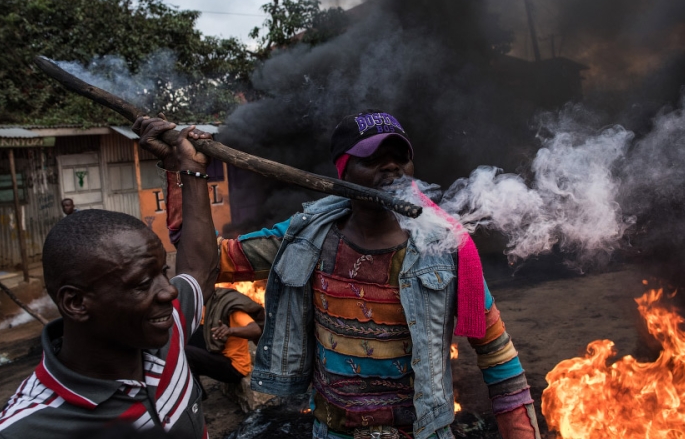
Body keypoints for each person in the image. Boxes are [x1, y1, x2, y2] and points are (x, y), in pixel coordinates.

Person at [148, 111, 542, 439]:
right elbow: (204, 260)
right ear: (343, 171)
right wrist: (187, 173)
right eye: (372, 158)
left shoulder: (446, 248)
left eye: (399, 157)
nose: (391, 166)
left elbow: (498, 357)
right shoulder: (305, 237)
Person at [0, 122, 219, 439]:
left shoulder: (163, 332)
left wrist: (188, 168)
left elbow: (200, 269)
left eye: (162, 273)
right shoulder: (23, 430)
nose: (170, 291)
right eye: (141, 283)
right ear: (76, 303)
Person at [185, 286, 264, 385]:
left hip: (234, 367)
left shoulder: (232, 310)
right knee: (187, 335)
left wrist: (230, 330)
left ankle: (196, 396)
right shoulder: (210, 305)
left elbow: (256, 330)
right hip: (219, 353)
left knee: (187, 354)